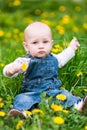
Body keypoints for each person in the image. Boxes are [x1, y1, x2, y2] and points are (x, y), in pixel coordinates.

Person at [3, 21, 87, 118]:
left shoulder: (55, 58)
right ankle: (22, 113)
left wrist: (72, 48)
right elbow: (8, 69)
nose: (41, 46)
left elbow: (64, 56)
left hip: (53, 92)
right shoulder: (24, 61)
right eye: (35, 42)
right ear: (26, 46)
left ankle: (79, 106)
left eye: (45, 42)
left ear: (51, 44)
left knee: (65, 95)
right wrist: (11, 70)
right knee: (21, 99)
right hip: (32, 94)